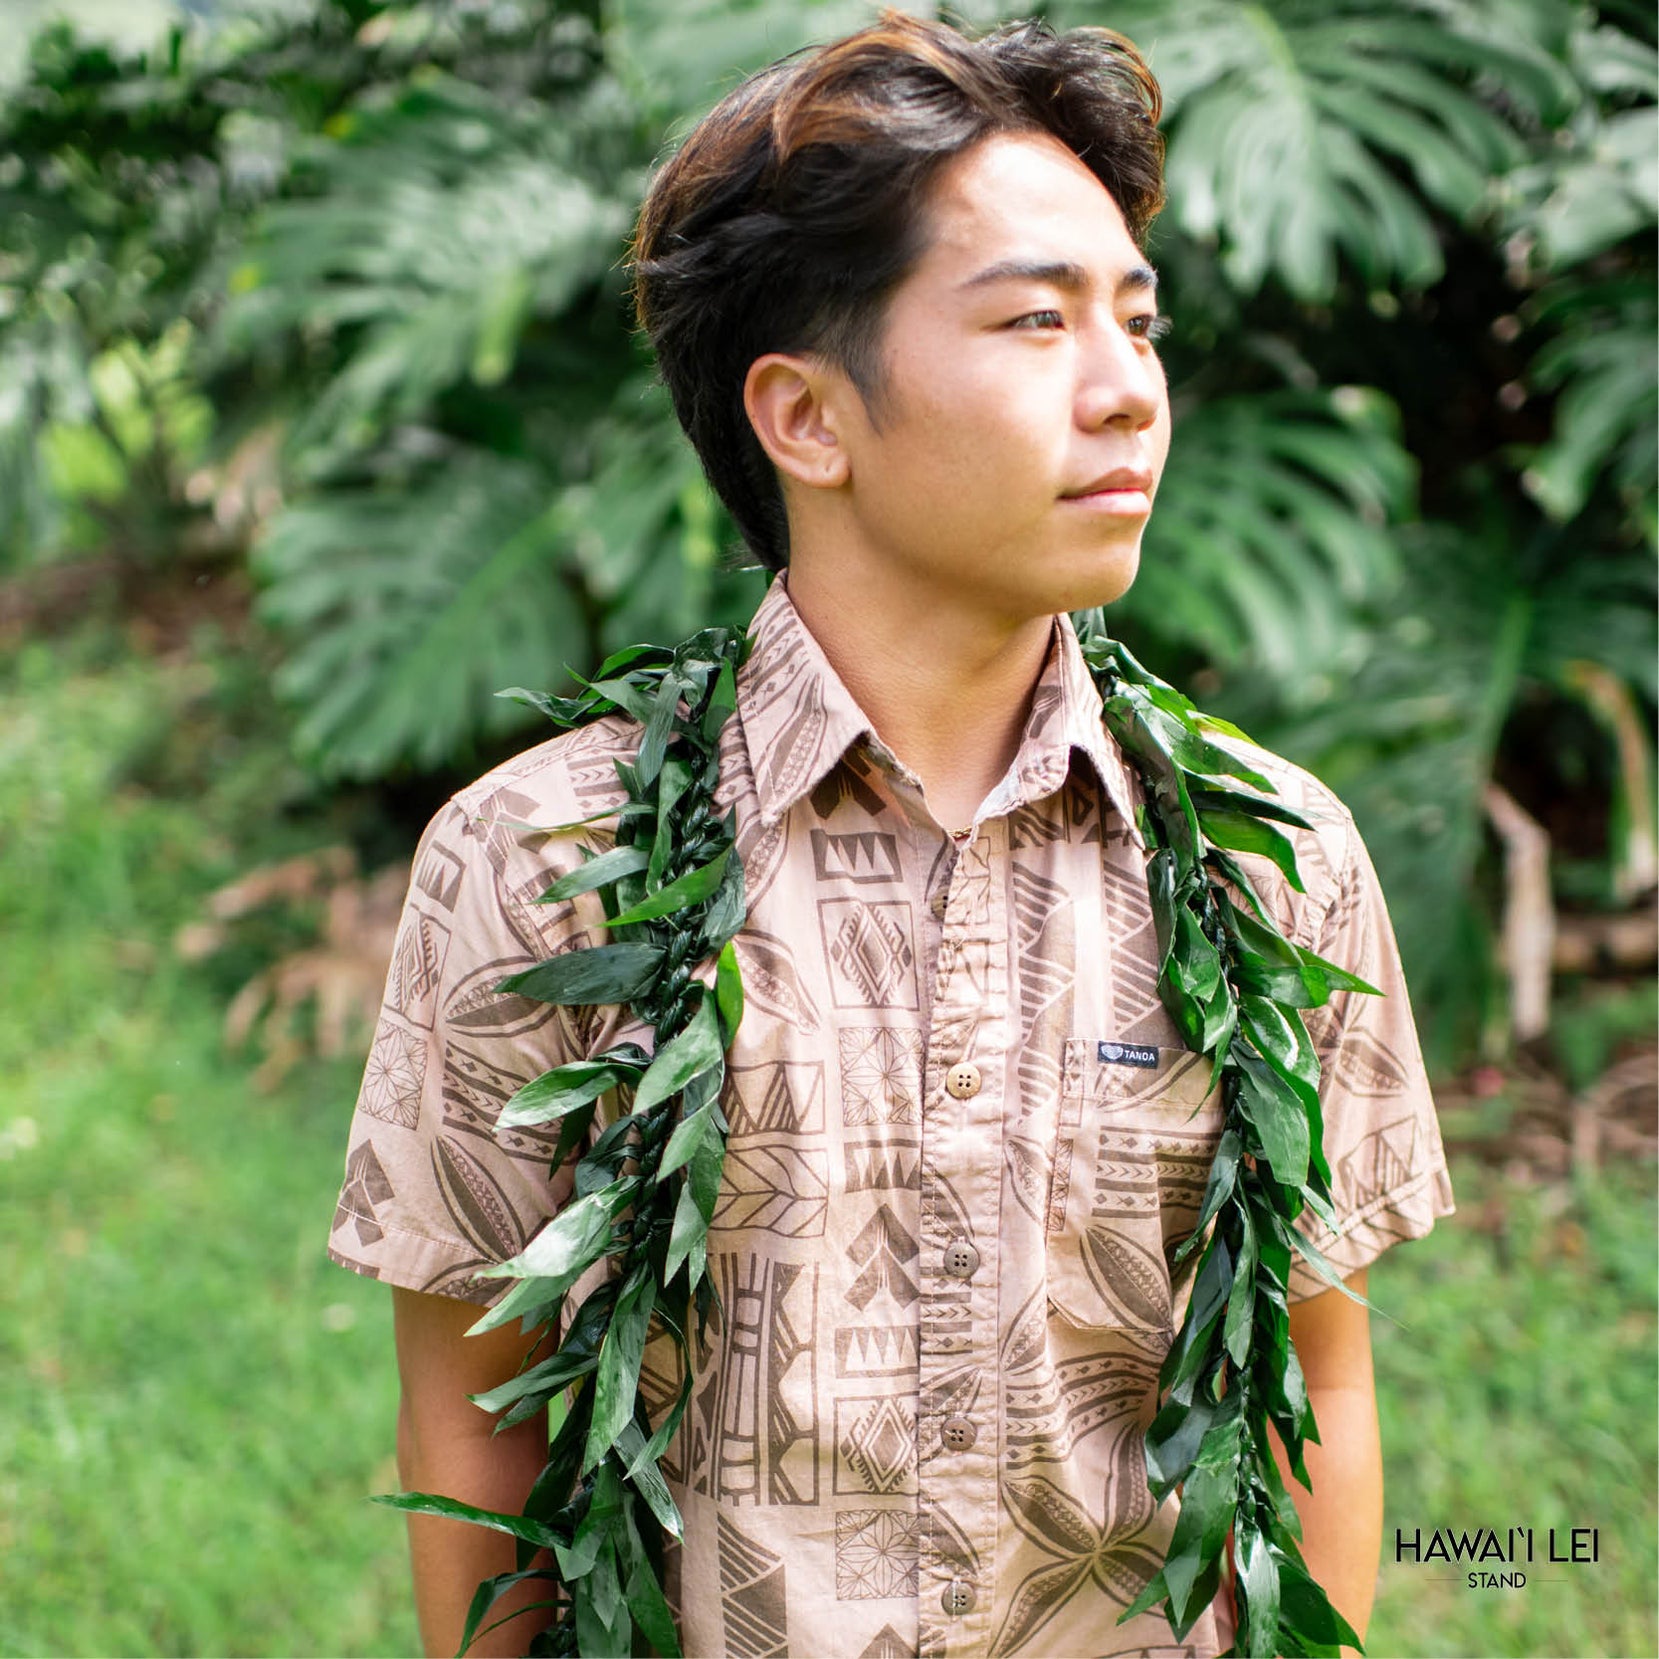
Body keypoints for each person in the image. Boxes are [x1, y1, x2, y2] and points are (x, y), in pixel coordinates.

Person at [326, 11, 1456, 1657]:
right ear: (806, 419)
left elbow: (1322, 1387)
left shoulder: (1265, 861)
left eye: (1137, 325)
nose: (1126, 390)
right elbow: (477, 1426)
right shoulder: (541, 863)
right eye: (1035, 322)